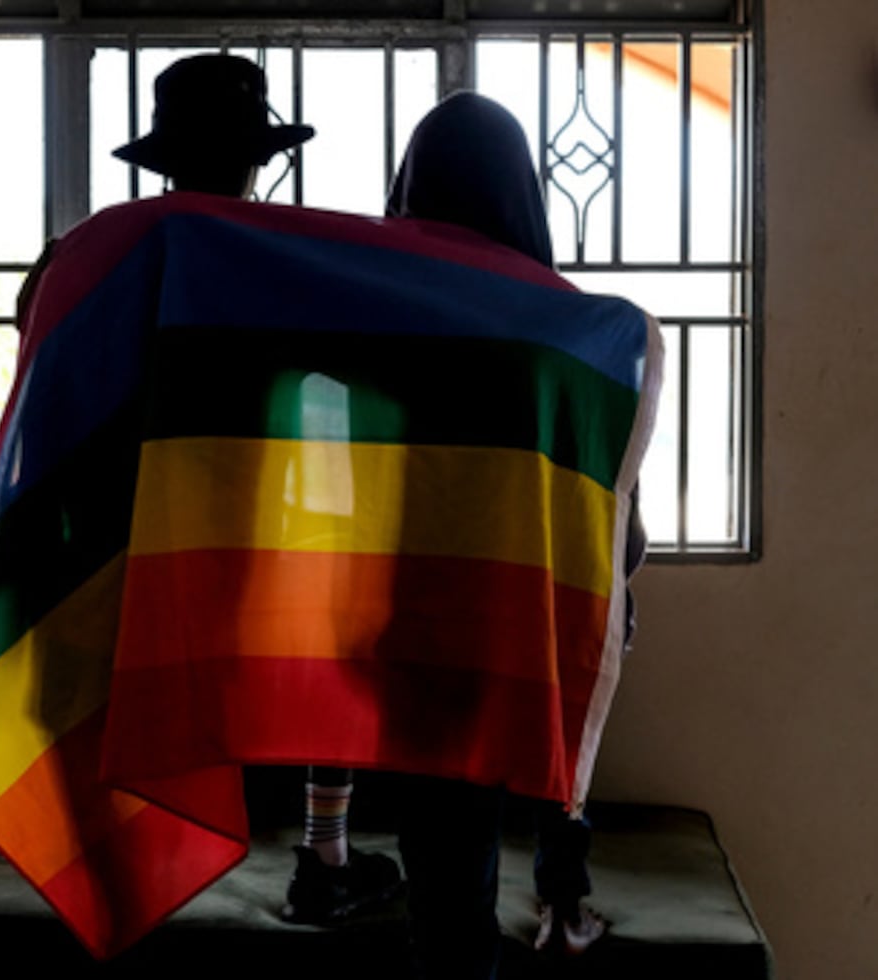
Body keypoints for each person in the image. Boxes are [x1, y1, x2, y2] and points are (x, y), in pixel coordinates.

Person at [111, 51, 402, 928]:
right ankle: (322, 861)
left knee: (135, 680)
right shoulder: (286, 256)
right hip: (272, 517)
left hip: (134, 517)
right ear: (258, 159)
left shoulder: (111, 249)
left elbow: (37, 331)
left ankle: (129, 867)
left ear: (163, 162)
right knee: (325, 672)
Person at [384, 90, 647, 978]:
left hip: (414, 633)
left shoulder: (376, 317)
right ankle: (564, 896)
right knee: (575, 672)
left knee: (447, 898)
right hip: (532, 625)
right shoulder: (569, 327)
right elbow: (624, 538)